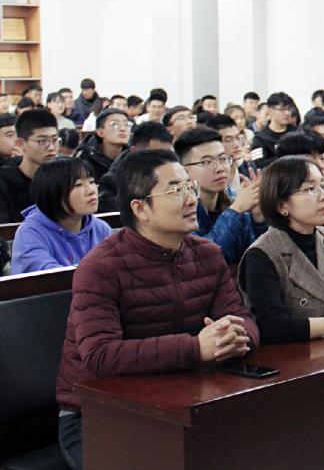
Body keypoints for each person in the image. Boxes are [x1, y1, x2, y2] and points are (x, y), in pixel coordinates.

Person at [55, 150, 259, 469]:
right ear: (140, 208)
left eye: (190, 187)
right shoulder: (101, 267)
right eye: (176, 190)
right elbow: (99, 354)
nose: (191, 199)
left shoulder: (208, 254)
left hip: (184, 398)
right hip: (98, 413)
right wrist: (196, 348)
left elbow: (242, 318)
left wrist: (237, 336)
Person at [238, 157, 324, 343]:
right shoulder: (262, 254)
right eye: (310, 189)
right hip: (291, 354)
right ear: (281, 205)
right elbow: (271, 326)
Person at [175, 127, 264, 264]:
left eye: (223, 159)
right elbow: (201, 257)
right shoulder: (179, 212)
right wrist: (236, 210)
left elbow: (257, 256)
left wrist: (259, 219)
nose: (220, 168)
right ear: (184, 170)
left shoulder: (233, 204)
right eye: (207, 162)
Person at [11, 157, 112, 273]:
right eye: (78, 185)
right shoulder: (30, 233)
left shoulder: (101, 228)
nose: (91, 190)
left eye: (92, 182)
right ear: (52, 192)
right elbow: (47, 278)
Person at [97, 121, 174, 213]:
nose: (162, 160)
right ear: (134, 151)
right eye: (154, 155)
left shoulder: (176, 171)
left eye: (166, 155)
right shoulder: (112, 181)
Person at [0, 109, 60, 223]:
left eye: (54, 140)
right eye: (42, 141)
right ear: (20, 143)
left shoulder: (64, 177)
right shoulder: (5, 183)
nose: (51, 147)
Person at [206, 114, 258, 198]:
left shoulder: (248, 167)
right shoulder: (209, 176)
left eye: (238, 138)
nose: (236, 145)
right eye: (228, 140)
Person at [74, 108, 131, 181]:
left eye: (126, 125)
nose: (123, 129)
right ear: (100, 132)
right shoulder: (85, 156)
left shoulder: (133, 155)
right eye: (115, 124)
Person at [250, 91, 297, 167]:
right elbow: (258, 165)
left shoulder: (297, 133)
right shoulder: (260, 138)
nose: (287, 113)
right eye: (282, 109)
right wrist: (283, 155)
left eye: (289, 109)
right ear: (270, 110)